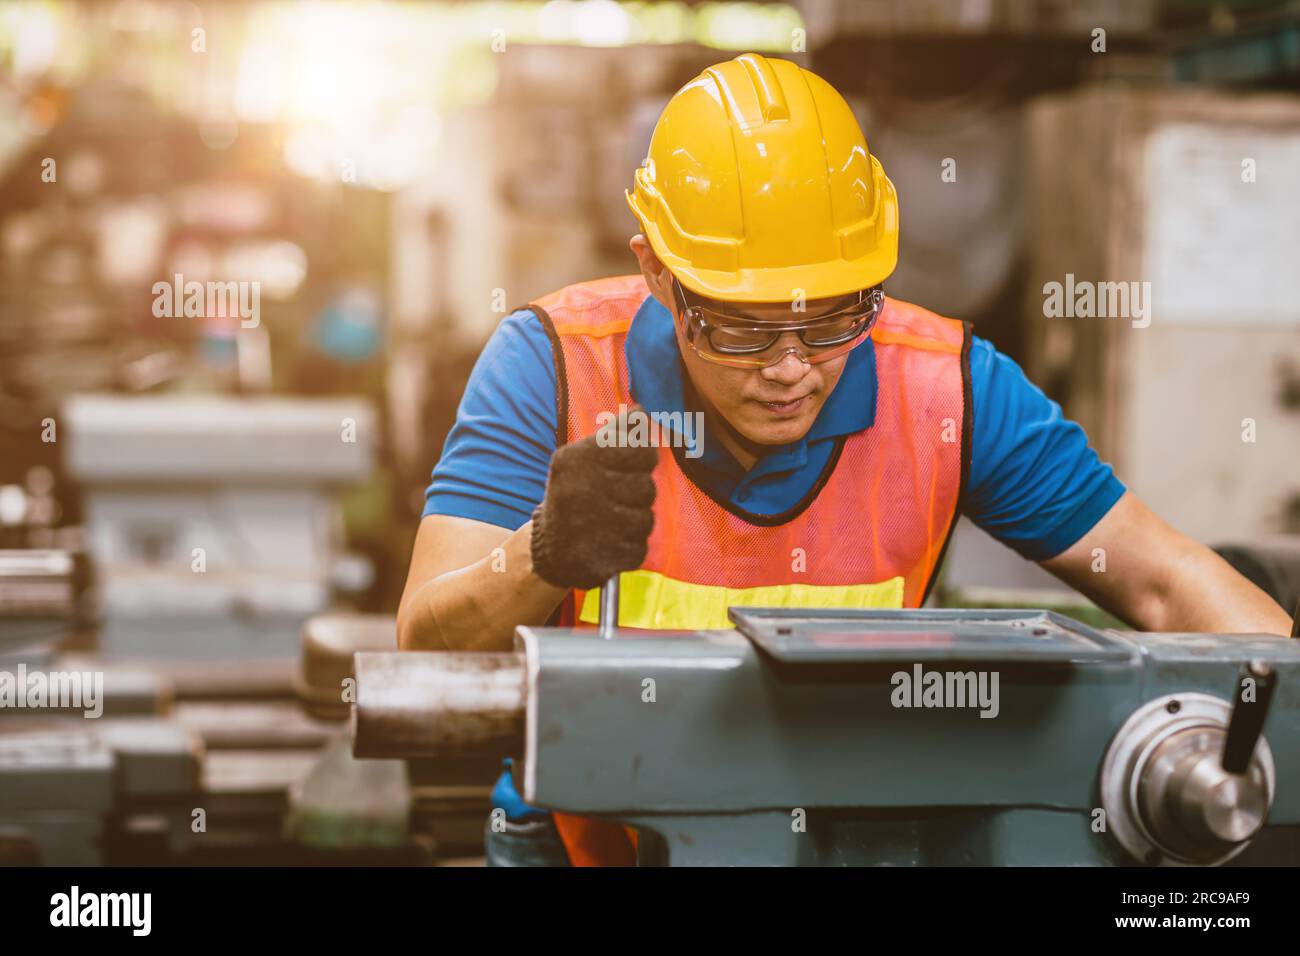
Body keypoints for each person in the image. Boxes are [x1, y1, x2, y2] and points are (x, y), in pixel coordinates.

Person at [397, 53, 1294, 866]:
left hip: (843, 833)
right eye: (742, 327)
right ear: (658, 272)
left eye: (831, 318)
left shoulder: (948, 390)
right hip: (589, 843)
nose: (791, 369)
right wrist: (540, 553)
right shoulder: (552, 366)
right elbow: (426, 649)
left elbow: (1165, 580)